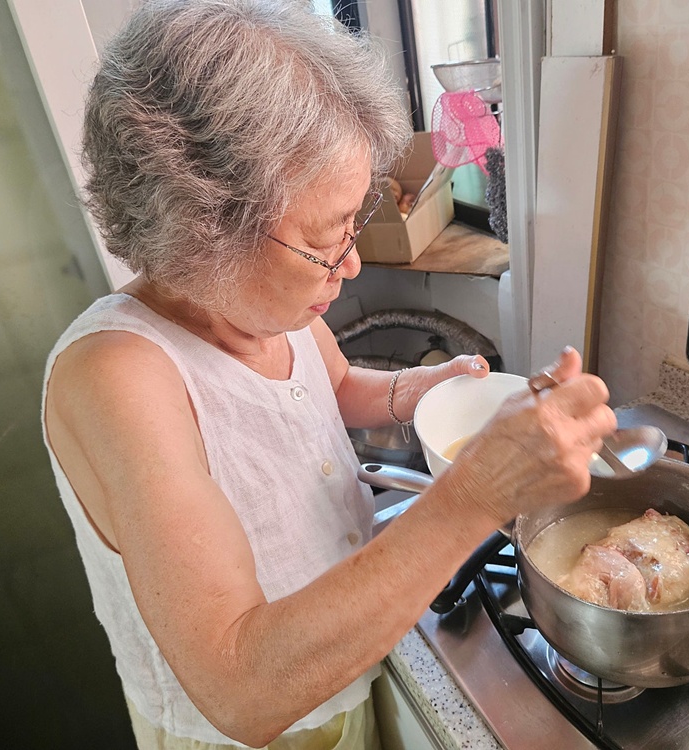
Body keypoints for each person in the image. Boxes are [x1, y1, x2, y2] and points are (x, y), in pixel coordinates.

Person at [41, 1, 617, 749]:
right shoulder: (118, 379)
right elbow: (242, 689)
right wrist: (479, 492)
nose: (349, 263)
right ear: (202, 232)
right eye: (326, 239)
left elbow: (336, 389)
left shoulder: (264, 304)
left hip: (345, 646)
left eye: (355, 221)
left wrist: (421, 390)